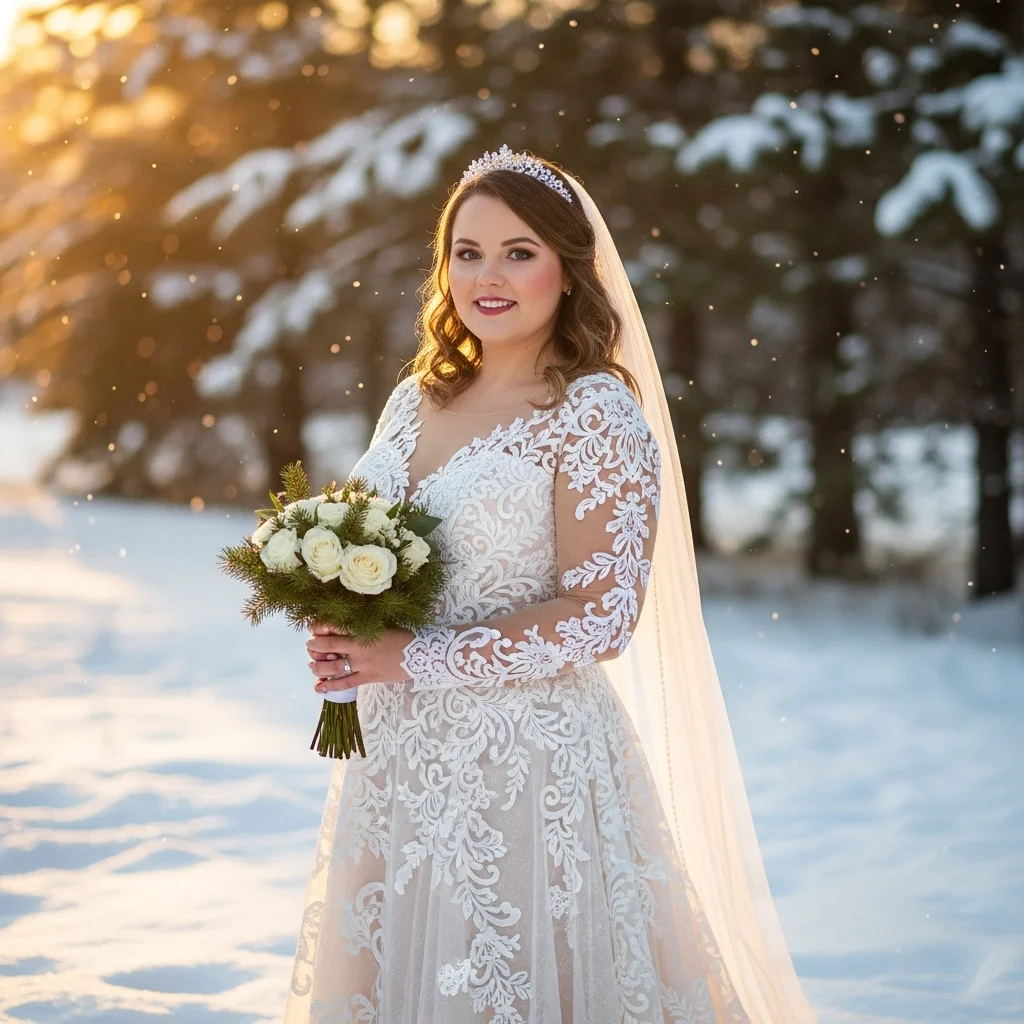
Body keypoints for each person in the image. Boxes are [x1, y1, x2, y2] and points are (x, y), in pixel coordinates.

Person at [284, 146, 819, 1024]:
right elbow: (380, 544)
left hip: (526, 765)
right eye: (467, 252)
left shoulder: (594, 412)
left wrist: (411, 656)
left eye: (519, 252)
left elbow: (601, 616)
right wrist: (343, 616)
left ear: (569, 272)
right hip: (396, 761)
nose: (486, 276)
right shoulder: (415, 398)